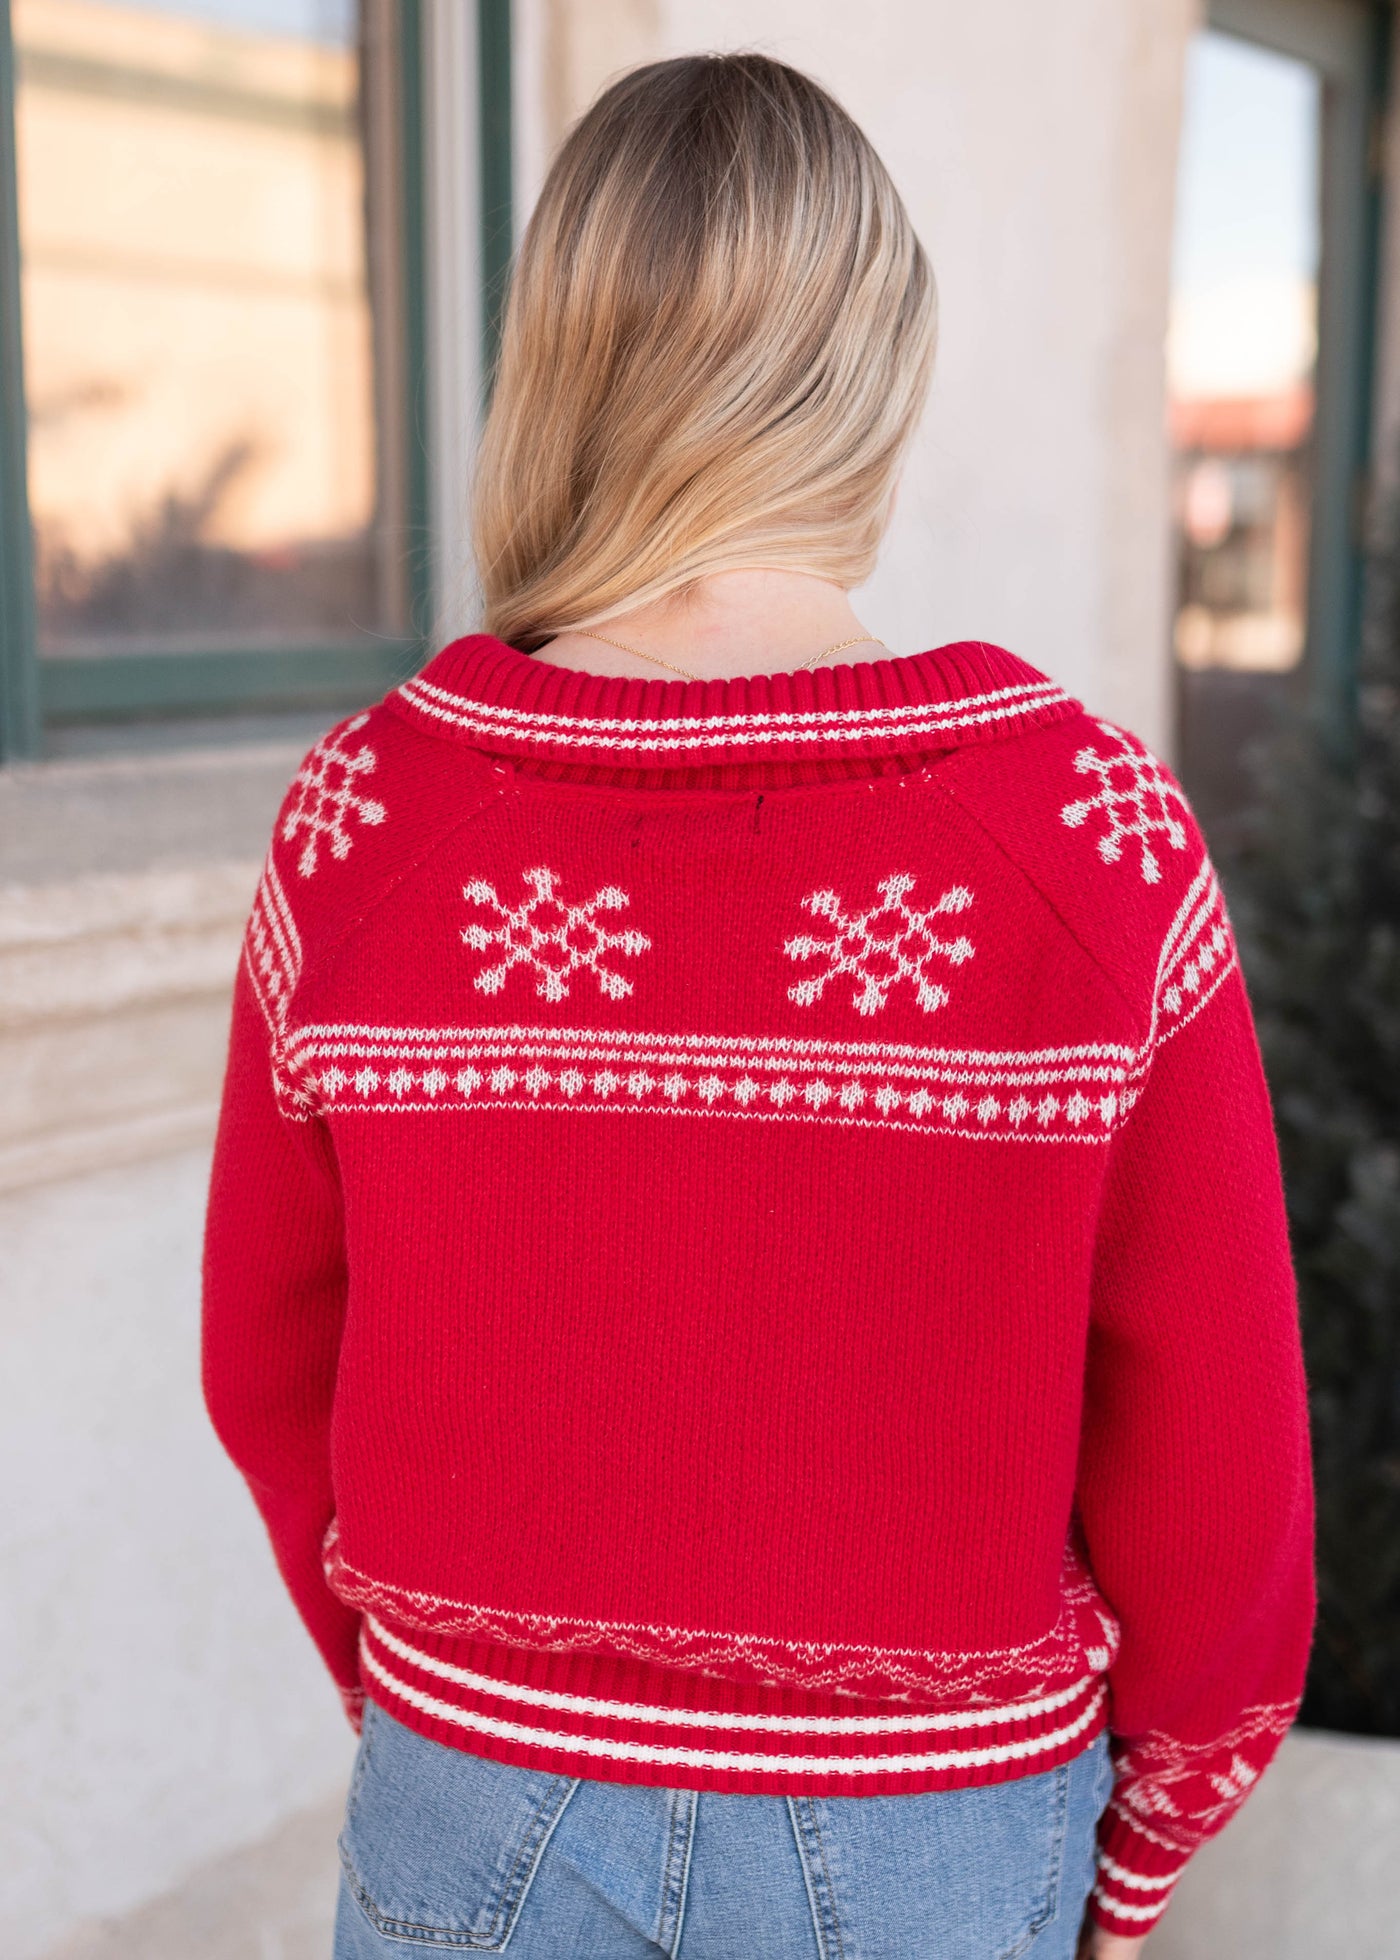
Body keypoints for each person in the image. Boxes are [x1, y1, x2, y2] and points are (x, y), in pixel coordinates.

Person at [201, 52, 1315, 1960]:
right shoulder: (1086, 837)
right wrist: (1134, 1860)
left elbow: (267, 1362)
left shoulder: (365, 822)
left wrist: (420, 1700)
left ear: (556, 360)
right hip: (935, 1841)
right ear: (878, 376)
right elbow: (1221, 1478)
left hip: (472, 1792)